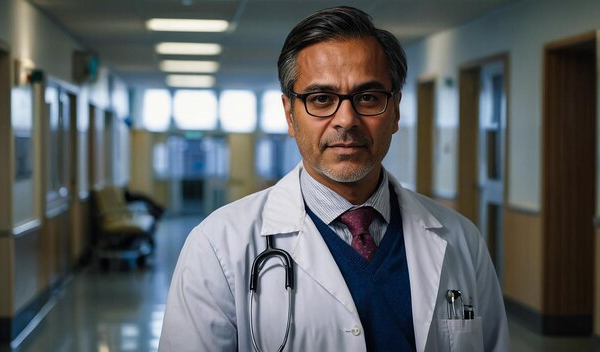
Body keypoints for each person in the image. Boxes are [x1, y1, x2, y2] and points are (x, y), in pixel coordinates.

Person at [159, 6, 509, 352]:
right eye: (321, 99)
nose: (346, 120)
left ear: (396, 111)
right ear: (289, 115)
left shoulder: (462, 240)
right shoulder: (217, 246)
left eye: (368, 97)